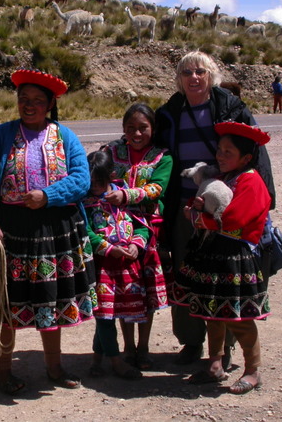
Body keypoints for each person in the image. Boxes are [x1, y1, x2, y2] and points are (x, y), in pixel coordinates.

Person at [0, 69, 96, 394]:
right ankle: (3, 371)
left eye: (37, 101)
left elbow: (82, 179)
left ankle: (54, 367)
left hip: (53, 231)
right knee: (6, 303)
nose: (29, 106)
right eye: (24, 100)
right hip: (10, 231)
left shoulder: (65, 136)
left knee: (50, 301)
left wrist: (47, 196)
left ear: (50, 104)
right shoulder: (2, 135)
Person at [155, 50, 275, 366]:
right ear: (179, 79)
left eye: (200, 71)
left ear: (211, 76)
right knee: (188, 273)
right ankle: (192, 342)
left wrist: (265, 205)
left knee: (224, 276)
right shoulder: (169, 113)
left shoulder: (231, 108)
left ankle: (227, 349)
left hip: (227, 206)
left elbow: (256, 156)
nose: (193, 77)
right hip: (185, 207)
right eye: (186, 73)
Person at [174, 121, 271, 394]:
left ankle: (252, 371)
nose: (220, 156)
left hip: (234, 255)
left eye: (229, 152)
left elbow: (233, 220)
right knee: (212, 311)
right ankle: (215, 364)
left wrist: (196, 216)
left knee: (237, 319)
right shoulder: (228, 178)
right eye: (220, 150)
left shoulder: (251, 181)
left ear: (246, 158)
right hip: (216, 252)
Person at [101, 103, 173, 371]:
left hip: (146, 233)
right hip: (116, 230)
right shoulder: (111, 151)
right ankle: (128, 347)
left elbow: (157, 187)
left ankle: (143, 347)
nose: (137, 133)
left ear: (152, 129)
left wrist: (127, 196)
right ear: (123, 129)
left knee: (144, 292)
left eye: (143, 127)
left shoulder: (162, 157)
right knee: (122, 290)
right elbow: (98, 174)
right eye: (130, 128)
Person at [83, 149, 154, 380]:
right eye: (90, 181)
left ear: (111, 175)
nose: (94, 186)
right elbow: (85, 232)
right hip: (101, 265)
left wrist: (136, 244)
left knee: (109, 313)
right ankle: (115, 361)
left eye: (99, 181)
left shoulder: (124, 196)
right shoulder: (83, 202)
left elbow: (142, 224)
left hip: (126, 265)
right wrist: (109, 248)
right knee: (104, 314)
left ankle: (96, 360)